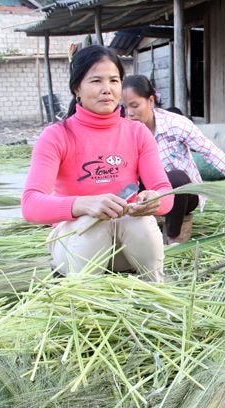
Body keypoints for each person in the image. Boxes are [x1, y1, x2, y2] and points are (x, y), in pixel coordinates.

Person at [21, 45, 174, 282]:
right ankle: (84, 298)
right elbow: (31, 205)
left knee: (140, 222)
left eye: (114, 80)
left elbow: (167, 194)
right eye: (96, 81)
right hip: (75, 245)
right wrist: (83, 205)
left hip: (128, 250)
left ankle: (156, 292)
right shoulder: (57, 136)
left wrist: (153, 200)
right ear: (76, 89)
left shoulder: (137, 133)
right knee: (97, 224)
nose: (107, 89)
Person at [121, 75, 225, 245]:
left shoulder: (175, 124)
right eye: (125, 107)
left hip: (183, 194)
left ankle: (173, 238)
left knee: (176, 178)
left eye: (135, 105)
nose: (129, 113)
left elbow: (210, 152)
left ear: (150, 101)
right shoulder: (124, 130)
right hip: (146, 197)